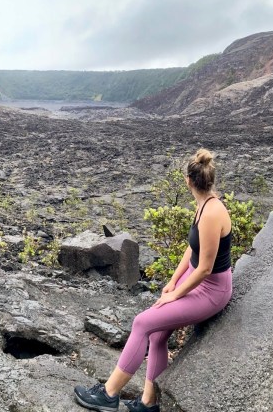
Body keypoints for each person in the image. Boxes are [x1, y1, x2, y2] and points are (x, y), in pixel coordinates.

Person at [74, 149, 233, 412]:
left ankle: (109, 394)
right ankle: (149, 402)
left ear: (188, 181)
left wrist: (177, 294)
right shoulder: (204, 204)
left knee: (142, 322)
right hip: (200, 282)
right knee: (157, 334)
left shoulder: (212, 213)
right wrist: (172, 281)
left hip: (212, 291)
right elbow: (192, 249)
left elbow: (205, 268)